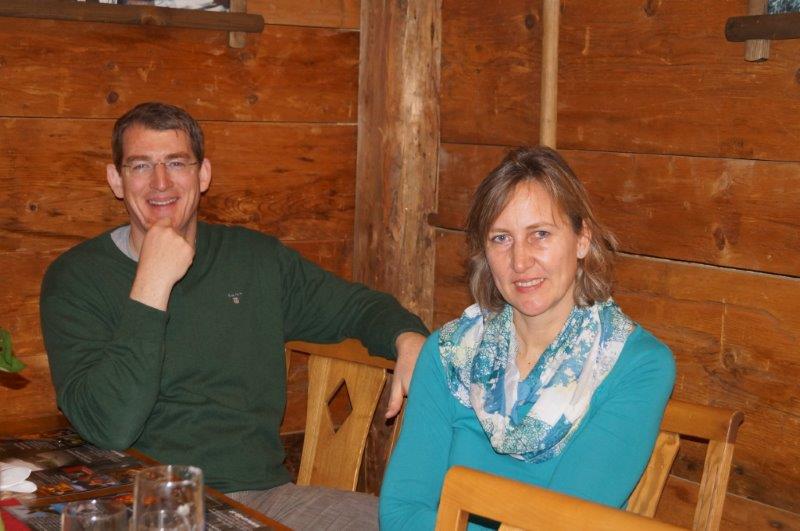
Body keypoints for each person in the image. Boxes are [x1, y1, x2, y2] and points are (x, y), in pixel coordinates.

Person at [39, 102, 428, 530]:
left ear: (203, 175)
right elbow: (109, 426)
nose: (160, 182)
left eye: (177, 163)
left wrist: (407, 336)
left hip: (260, 498)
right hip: (141, 503)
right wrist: (151, 283)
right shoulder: (77, 278)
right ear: (116, 180)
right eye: (141, 165)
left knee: (421, 524)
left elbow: (356, 306)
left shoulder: (255, 260)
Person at [379, 146, 675, 529]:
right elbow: (400, 512)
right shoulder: (451, 354)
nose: (520, 261)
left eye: (540, 234)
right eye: (501, 238)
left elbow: (562, 526)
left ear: (582, 238)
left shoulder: (636, 365)